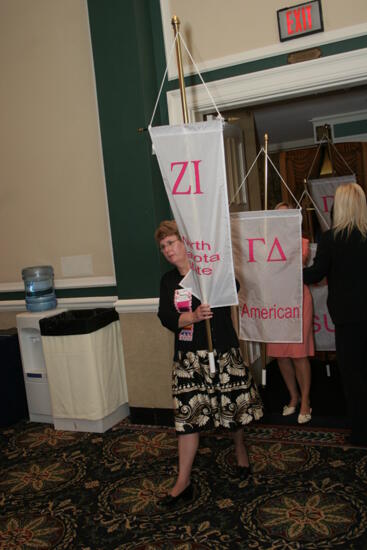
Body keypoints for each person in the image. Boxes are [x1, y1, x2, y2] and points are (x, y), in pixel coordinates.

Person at [155, 220, 263, 506]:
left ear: (185, 242)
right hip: (189, 358)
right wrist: (191, 317)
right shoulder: (168, 281)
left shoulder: (209, 270)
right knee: (189, 417)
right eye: (163, 246)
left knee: (233, 408)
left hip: (223, 350)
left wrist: (210, 269)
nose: (167, 250)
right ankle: (183, 481)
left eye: (172, 242)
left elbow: (234, 285)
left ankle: (240, 449)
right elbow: (166, 316)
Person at [303, 182, 367, 446]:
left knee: (354, 378)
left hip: (347, 319)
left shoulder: (330, 239)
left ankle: (362, 433)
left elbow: (315, 275)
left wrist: (286, 273)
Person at [267, 202, 314, 424]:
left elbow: (295, 264)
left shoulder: (301, 243)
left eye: (286, 216)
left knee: (298, 353)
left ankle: (305, 400)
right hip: (275, 303)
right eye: (277, 217)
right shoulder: (264, 245)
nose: (281, 220)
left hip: (297, 301)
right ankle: (293, 397)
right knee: (280, 354)